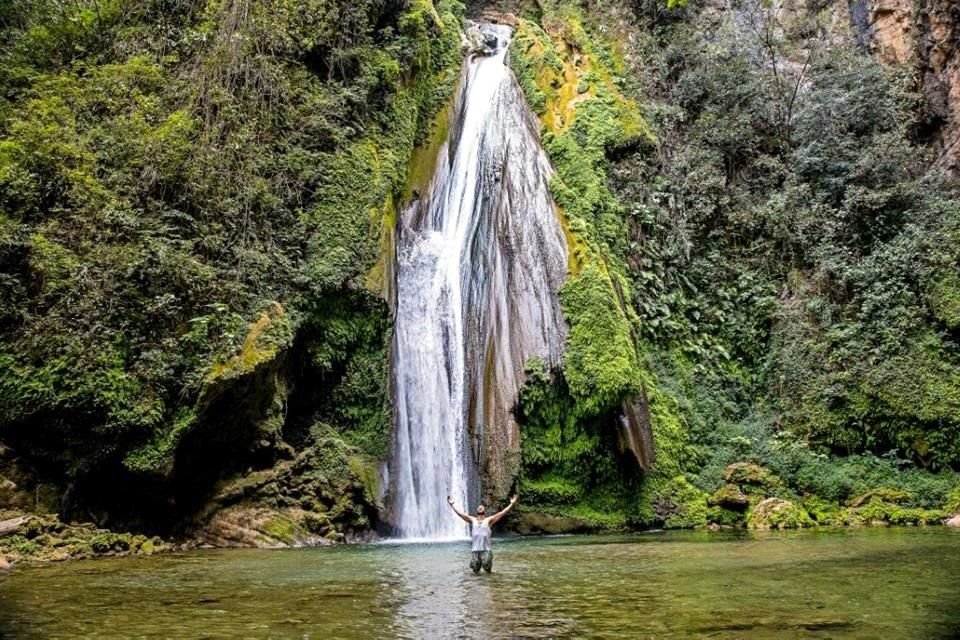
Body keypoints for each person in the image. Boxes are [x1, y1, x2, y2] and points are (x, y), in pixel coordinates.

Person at [446, 493, 518, 573]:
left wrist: (511, 504)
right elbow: (461, 515)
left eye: (482, 507)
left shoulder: (489, 520)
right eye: (479, 507)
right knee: (475, 572)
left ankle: (487, 584)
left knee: (488, 571)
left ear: (484, 511)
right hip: (475, 550)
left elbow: (502, 513)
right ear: (477, 511)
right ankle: (477, 585)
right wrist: (452, 505)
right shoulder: (472, 520)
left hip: (486, 550)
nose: (480, 507)